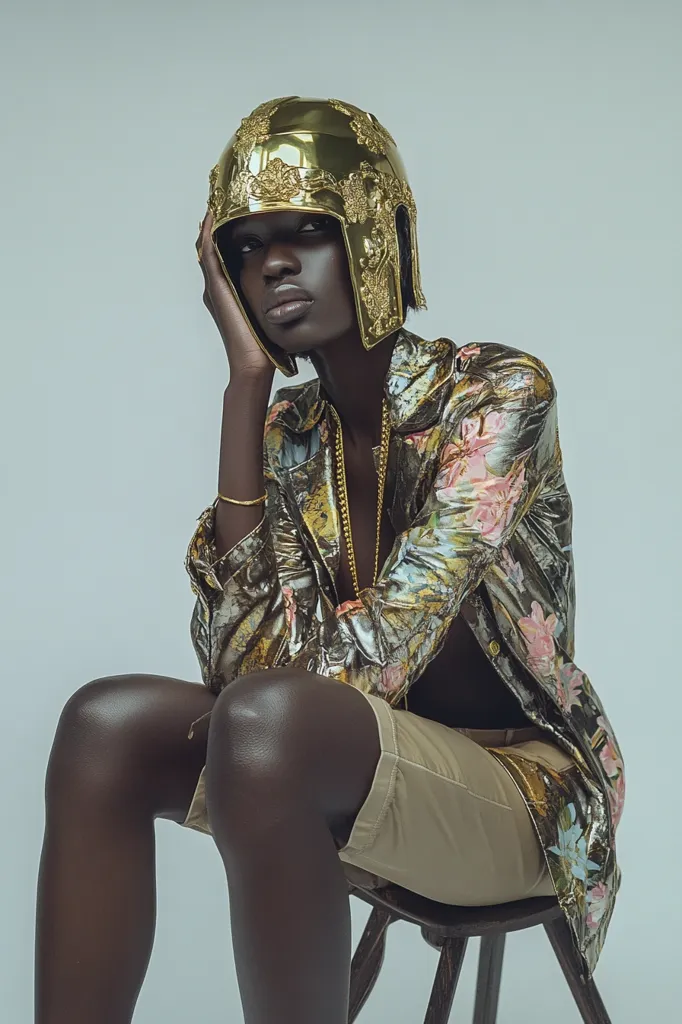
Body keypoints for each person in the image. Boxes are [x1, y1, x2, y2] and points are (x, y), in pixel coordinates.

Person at [35, 97, 624, 1024]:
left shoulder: (496, 397)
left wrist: (276, 698)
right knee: (104, 724)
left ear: (375, 235)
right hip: (340, 762)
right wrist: (244, 390)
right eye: (247, 244)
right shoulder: (286, 436)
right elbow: (239, 674)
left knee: (272, 721)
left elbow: (368, 663)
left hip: (521, 796)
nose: (273, 262)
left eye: (308, 231)